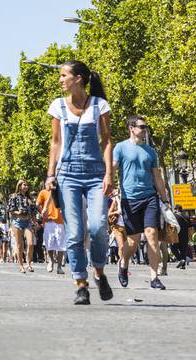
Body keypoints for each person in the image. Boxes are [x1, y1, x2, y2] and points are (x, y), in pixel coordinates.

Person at [45, 60, 114, 305]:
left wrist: (109, 174)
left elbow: (106, 141)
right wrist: (50, 175)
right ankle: (81, 284)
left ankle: (99, 272)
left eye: (64, 75)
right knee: (74, 233)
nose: (60, 79)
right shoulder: (57, 106)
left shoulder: (99, 105)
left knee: (97, 228)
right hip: (68, 174)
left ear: (79, 78)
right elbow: (55, 143)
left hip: (96, 173)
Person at [113, 115, 170, 290]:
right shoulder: (120, 148)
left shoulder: (151, 152)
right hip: (129, 199)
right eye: (141, 126)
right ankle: (123, 263)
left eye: (146, 127)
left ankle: (154, 277)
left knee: (152, 235)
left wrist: (165, 199)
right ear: (131, 128)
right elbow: (112, 169)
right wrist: (104, 188)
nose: (144, 129)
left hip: (150, 197)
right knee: (133, 240)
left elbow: (157, 177)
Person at [36, 180, 66, 274]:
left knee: (61, 246)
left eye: (51, 183)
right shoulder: (43, 192)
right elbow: (37, 204)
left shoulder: (61, 192)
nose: (49, 184)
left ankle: (59, 266)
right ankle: (50, 260)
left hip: (60, 221)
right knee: (49, 243)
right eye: (47, 183)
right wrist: (43, 214)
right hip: (48, 221)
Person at [8, 180, 37, 273]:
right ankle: (21, 265)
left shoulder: (29, 198)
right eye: (24, 185)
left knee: (31, 243)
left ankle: (28, 263)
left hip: (28, 222)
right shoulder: (14, 196)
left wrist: (35, 222)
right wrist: (18, 212)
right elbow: (10, 210)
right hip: (17, 222)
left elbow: (33, 212)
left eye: (27, 185)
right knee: (20, 245)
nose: (26, 186)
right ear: (19, 186)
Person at [173, 205, 190, 269]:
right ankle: (183, 265)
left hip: (177, 236)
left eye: (175, 208)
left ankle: (180, 260)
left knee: (173, 248)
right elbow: (189, 228)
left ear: (177, 209)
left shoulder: (174, 216)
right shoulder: (187, 217)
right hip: (185, 236)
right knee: (183, 250)